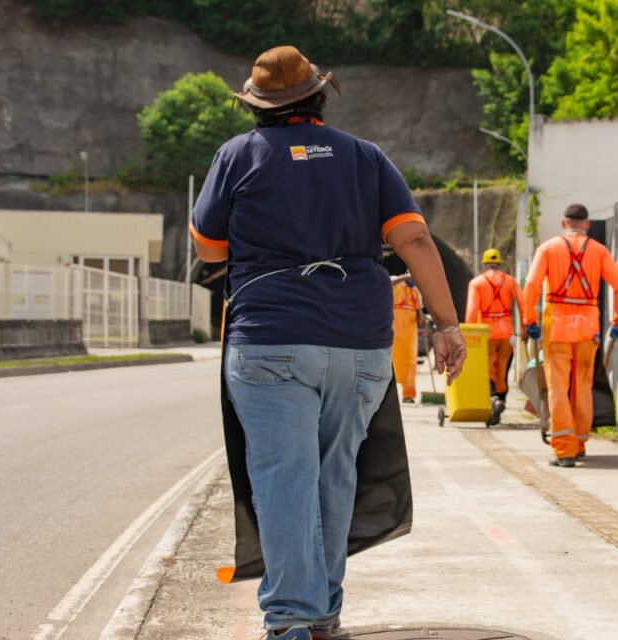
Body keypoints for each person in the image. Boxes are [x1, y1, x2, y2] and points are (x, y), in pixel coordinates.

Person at [190, 45, 465, 640]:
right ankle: (324, 614)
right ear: (319, 95)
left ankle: (292, 620)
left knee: (284, 477)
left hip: (271, 340)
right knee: (335, 473)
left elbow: (207, 248)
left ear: (257, 106)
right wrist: (446, 325)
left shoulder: (237, 156)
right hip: (360, 344)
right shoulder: (366, 158)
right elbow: (414, 239)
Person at [523, 204, 618, 467]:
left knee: (558, 387)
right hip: (588, 327)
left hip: (557, 325)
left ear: (563, 223)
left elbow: (532, 284)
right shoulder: (599, 250)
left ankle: (564, 449)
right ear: (587, 225)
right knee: (582, 385)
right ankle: (580, 442)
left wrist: (529, 319)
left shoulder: (547, 248)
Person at [465, 248, 521, 416]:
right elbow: (523, 305)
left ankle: (492, 399)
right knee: (503, 367)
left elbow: (472, 310)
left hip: (486, 333)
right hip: (506, 333)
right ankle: (501, 398)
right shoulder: (510, 281)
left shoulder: (477, 283)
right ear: (499, 264)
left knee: (488, 366)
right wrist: (526, 328)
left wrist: (470, 332)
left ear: (484, 264)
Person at [391, 277, 424, 403]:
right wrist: (405, 277)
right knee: (392, 363)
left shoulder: (415, 290)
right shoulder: (396, 284)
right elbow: (389, 283)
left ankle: (408, 395)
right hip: (394, 330)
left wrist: (422, 320)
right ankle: (388, 395)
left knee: (410, 363)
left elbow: (419, 313)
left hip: (410, 333)